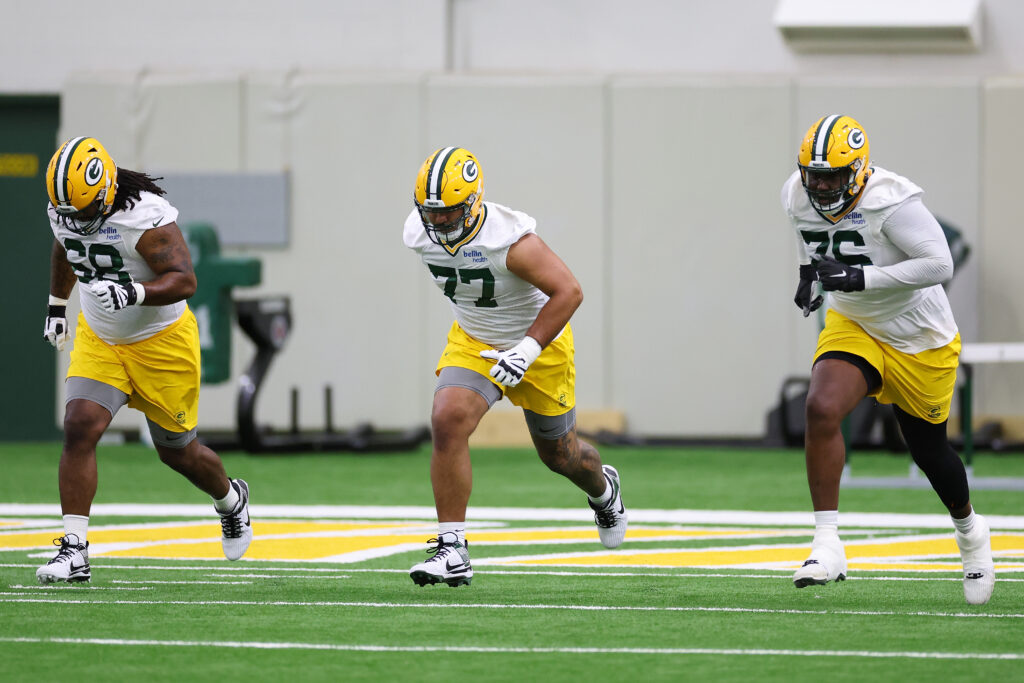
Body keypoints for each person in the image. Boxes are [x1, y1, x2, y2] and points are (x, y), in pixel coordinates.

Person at [782, 115, 994, 604]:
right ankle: (827, 543)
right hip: (855, 324)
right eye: (814, 174)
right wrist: (807, 274)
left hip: (919, 334)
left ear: (857, 170)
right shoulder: (796, 193)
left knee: (928, 452)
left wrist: (863, 279)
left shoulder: (890, 200)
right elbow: (807, 236)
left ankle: (969, 532)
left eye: (833, 175)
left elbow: (939, 263)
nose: (821, 185)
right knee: (821, 406)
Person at [402, 146, 627, 587]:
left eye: (450, 212)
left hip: (539, 347)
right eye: (433, 212)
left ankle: (604, 490)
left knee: (561, 457)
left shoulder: (510, 241)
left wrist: (526, 350)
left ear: (474, 201)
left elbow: (569, 291)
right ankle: (453, 548)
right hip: (474, 341)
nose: (441, 221)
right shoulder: (417, 231)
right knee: (447, 420)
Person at [36, 136, 252, 584]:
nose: (77, 222)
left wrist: (134, 291)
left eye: (85, 211)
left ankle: (231, 500)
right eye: (68, 213)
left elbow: (185, 280)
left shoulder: (145, 217)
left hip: (161, 342)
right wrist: (58, 305)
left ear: (107, 190)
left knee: (179, 453)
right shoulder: (67, 209)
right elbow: (65, 246)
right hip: (102, 339)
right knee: (79, 427)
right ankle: (75, 550)